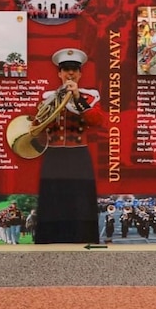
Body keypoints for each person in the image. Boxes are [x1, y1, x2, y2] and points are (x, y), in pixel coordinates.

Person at [31, 48, 103, 244]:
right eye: (65, 70)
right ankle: (50, 240)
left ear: (80, 73)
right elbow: (38, 126)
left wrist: (77, 97)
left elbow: (97, 120)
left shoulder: (90, 96)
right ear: (59, 73)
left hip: (79, 154)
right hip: (54, 155)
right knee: (52, 199)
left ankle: (83, 239)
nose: (70, 73)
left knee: (81, 199)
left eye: (74, 69)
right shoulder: (48, 97)